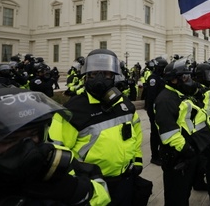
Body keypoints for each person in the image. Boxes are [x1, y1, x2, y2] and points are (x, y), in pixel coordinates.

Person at [49, 49, 152, 206]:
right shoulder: (72, 110)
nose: (100, 78)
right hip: (92, 186)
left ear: (114, 76)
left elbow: (135, 134)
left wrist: (137, 160)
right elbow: (57, 151)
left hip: (125, 180)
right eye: (94, 73)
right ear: (86, 76)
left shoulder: (123, 103)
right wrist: (77, 183)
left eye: (106, 73)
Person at [0, 83, 111, 205]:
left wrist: (73, 189)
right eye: (11, 140)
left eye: (33, 135)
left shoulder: (53, 160)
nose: (28, 146)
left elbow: (102, 193)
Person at [154, 58, 210, 206]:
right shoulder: (165, 100)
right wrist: (186, 149)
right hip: (178, 153)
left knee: (185, 189)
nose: (189, 81)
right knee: (177, 195)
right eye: (185, 77)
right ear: (174, 80)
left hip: (194, 146)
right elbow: (168, 132)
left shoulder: (180, 92)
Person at [144, 56, 168, 166]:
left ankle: (160, 153)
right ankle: (155, 156)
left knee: (161, 133)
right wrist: (152, 113)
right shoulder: (153, 78)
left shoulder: (162, 78)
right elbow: (151, 97)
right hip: (154, 110)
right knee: (155, 134)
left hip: (161, 110)